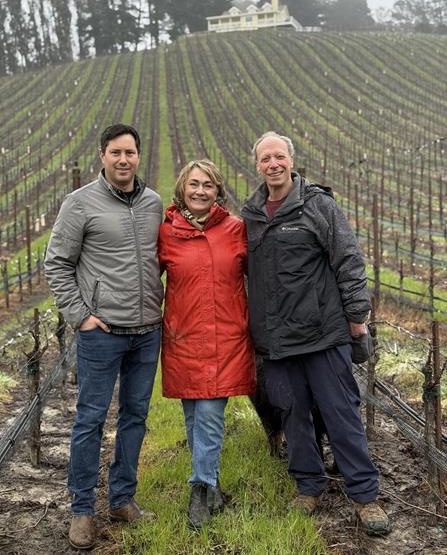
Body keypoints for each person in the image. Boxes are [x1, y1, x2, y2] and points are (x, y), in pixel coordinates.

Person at [241, 131, 390, 536]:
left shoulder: (318, 205)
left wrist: (357, 317)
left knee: (341, 413)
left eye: (279, 156)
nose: (273, 164)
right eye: (265, 159)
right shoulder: (251, 214)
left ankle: (364, 495)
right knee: (293, 415)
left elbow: (348, 258)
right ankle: (309, 486)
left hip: (323, 334)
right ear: (257, 166)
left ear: (291, 160)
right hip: (276, 339)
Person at [44, 123, 164, 550]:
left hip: (148, 331)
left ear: (138, 156)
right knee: (90, 420)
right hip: (102, 332)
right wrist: (81, 316)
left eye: (130, 152)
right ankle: (81, 510)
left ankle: (122, 499)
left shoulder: (153, 203)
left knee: (135, 418)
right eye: (116, 152)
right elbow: (56, 264)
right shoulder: (79, 204)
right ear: (103, 156)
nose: (124, 160)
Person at [158, 159, 256, 530]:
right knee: (193, 416)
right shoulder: (166, 232)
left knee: (211, 416)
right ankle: (211, 485)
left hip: (227, 337)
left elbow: (263, 278)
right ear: (183, 188)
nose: (200, 191)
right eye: (194, 184)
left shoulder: (236, 230)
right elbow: (146, 280)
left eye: (208, 185)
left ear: (218, 191)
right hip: (183, 337)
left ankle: (200, 487)